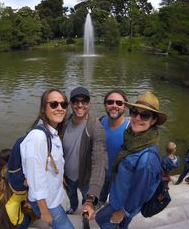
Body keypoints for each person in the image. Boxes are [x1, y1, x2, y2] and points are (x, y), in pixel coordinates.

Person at [95, 90, 167, 229]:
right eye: (134, 112)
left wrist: (123, 212)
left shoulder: (147, 158)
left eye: (145, 115)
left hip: (122, 204)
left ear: (153, 120)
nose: (137, 118)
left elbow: (142, 192)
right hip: (119, 195)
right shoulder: (132, 139)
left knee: (100, 218)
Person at [21, 88, 74, 228]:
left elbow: (50, 162)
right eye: (54, 104)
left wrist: (59, 176)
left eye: (63, 104)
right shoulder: (38, 137)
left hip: (53, 197)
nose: (60, 108)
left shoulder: (52, 133)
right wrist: (44, 211)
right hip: (48, 203)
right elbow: (34, 178)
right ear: (44, 108)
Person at [60, 86, 107, 219]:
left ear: (89, 104)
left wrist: (91, 198)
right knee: (71, 195)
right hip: (67, 177)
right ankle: (73, 206)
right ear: (70, 104)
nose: (80, 105)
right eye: (75, 101)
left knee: (85, 197)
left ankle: (85, 208)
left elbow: (100, 162)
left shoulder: (96, 128)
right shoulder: (64, 122)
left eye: (84, 101)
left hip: (85, 178)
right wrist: (59, 172)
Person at [98, 89, 130, 208]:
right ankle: (100, 202)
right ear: (105, 105)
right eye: (110, 102)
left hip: (118, 176)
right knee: (101, 192)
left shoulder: (130, 129)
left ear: (125, 107)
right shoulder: (100, 121)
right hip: (102, 172)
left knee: (115, 200)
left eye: (119, 103)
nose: (114, 105)